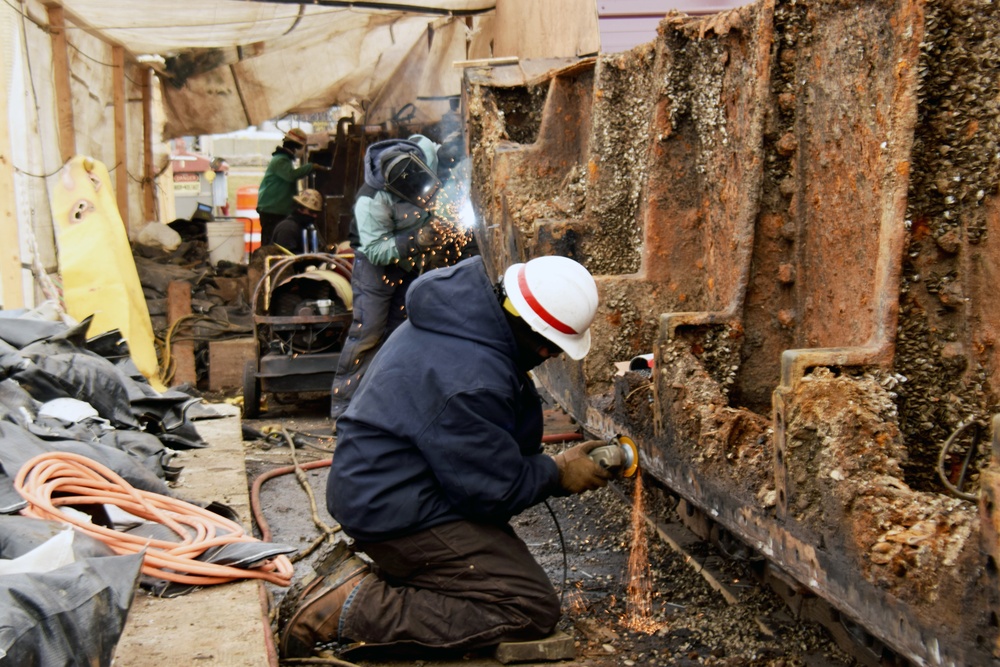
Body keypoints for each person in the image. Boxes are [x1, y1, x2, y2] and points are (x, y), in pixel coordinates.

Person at [280, 254, 612, 658]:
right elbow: (492, 491)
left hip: (390, 485)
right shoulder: (472, 378)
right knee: (527, 606)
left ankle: (390, 582)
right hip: (391, 508)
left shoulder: (461, 321)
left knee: (498, 573)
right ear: (531, 331)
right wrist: (557, 473)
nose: (551, 355)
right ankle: (349, 606)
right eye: (549, 347)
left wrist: (550, 467)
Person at [328, 134, 465, 420]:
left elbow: (452, 163)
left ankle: (393, 406)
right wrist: (417, 240)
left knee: (403, 333)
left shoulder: (427, 154)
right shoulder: (371, 200)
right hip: (377, 267)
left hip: (413, 266)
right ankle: (344, 409)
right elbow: (377, 251)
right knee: (369, 332)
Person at [257, 128, 327, 246]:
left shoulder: (284, 160)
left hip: (277, 210)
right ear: (295, 147)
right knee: (270, 245)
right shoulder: (280, 161)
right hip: (271, 211)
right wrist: (310, 167)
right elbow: (291, 176)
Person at [271, 189, 325, 254]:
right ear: (300, 209)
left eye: (317, 212)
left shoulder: (307, 227)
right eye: (312, 212)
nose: (315, 216)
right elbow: (286, 258)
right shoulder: (288, 228)